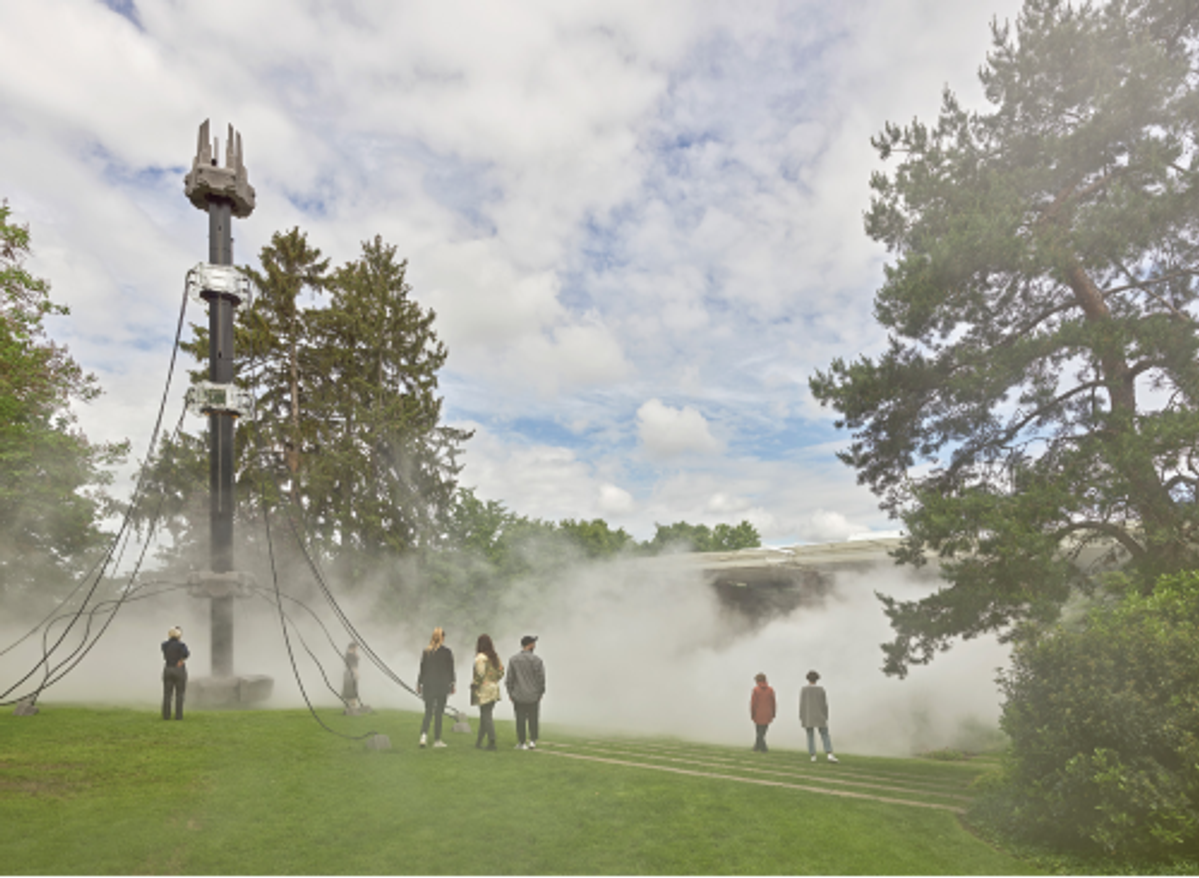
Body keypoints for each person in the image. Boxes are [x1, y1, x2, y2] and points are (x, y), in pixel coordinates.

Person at [505, 635, 545, 750]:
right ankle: (532, 740)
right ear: (530, 645)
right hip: (533, 694)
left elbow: (510, 678)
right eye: (533, 643)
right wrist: (540, 692)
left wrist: (510, 693)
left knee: (520, 720)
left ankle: (521, 742)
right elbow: (541, 678)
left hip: (519, 694)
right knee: (533, 719)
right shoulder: (537, 660)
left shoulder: (513, 660)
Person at [417, 627, 455, 748]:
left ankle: (423, 736)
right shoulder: (447, 652)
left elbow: (422, 670)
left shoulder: (426, 652)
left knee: (428, 712)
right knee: (439, 713)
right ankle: (437, 740)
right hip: (442, 686)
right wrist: (452, 683)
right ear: (442, 638)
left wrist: (419, 684)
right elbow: (450, 670)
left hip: (428, 685)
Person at [472, 634, 504, 750]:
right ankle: (479, 741)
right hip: (494, 687)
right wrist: (493, 680)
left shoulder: (480, 657)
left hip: (484, 689)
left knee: (486, 715)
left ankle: (492, 741)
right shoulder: (495, 657)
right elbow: (501, 672)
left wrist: (475, 683)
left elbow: (480, 673)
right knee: (485, 715)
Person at [800, 670, 838, 762]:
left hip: (808, 715)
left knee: (810, 735)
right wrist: (826, 715)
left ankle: (813, 755)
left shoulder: (804, 690)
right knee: (825, 734)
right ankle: (829, 753)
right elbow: (824, 704)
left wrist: (801, 716)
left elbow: (802, 704)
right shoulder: (821, 690)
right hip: (820, 715)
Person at [161, 626, 189, 720]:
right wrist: (181, 659)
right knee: (179, 694)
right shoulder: (181, 645)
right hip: (178, 669)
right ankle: (178, 715)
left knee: (167, 694)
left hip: (168, 668)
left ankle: (166, 715)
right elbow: (186, 654)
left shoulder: (164, 645)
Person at [750, 672, 776, 752]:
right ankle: (756, 747)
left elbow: (753, 703)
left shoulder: (756, 690)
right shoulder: (770, 690)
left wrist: (752, 713)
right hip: (768, 713)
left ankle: (764, 748)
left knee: (759, 732)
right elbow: (773, 702)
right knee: (762, 732)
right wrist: (773, 713)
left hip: (758, 714)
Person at [342, 643, 360, 709]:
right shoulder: (350, 655)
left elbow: (356, 660)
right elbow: (352, 665)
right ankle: (353, 704)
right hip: (351, 672)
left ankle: (350, 704)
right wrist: (356, 673)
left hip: (349, 672)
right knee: (352, 688)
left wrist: (356, 655)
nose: (357, 649)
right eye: (356, 647)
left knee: (351, 687)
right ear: (352, 647)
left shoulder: (351, 654)